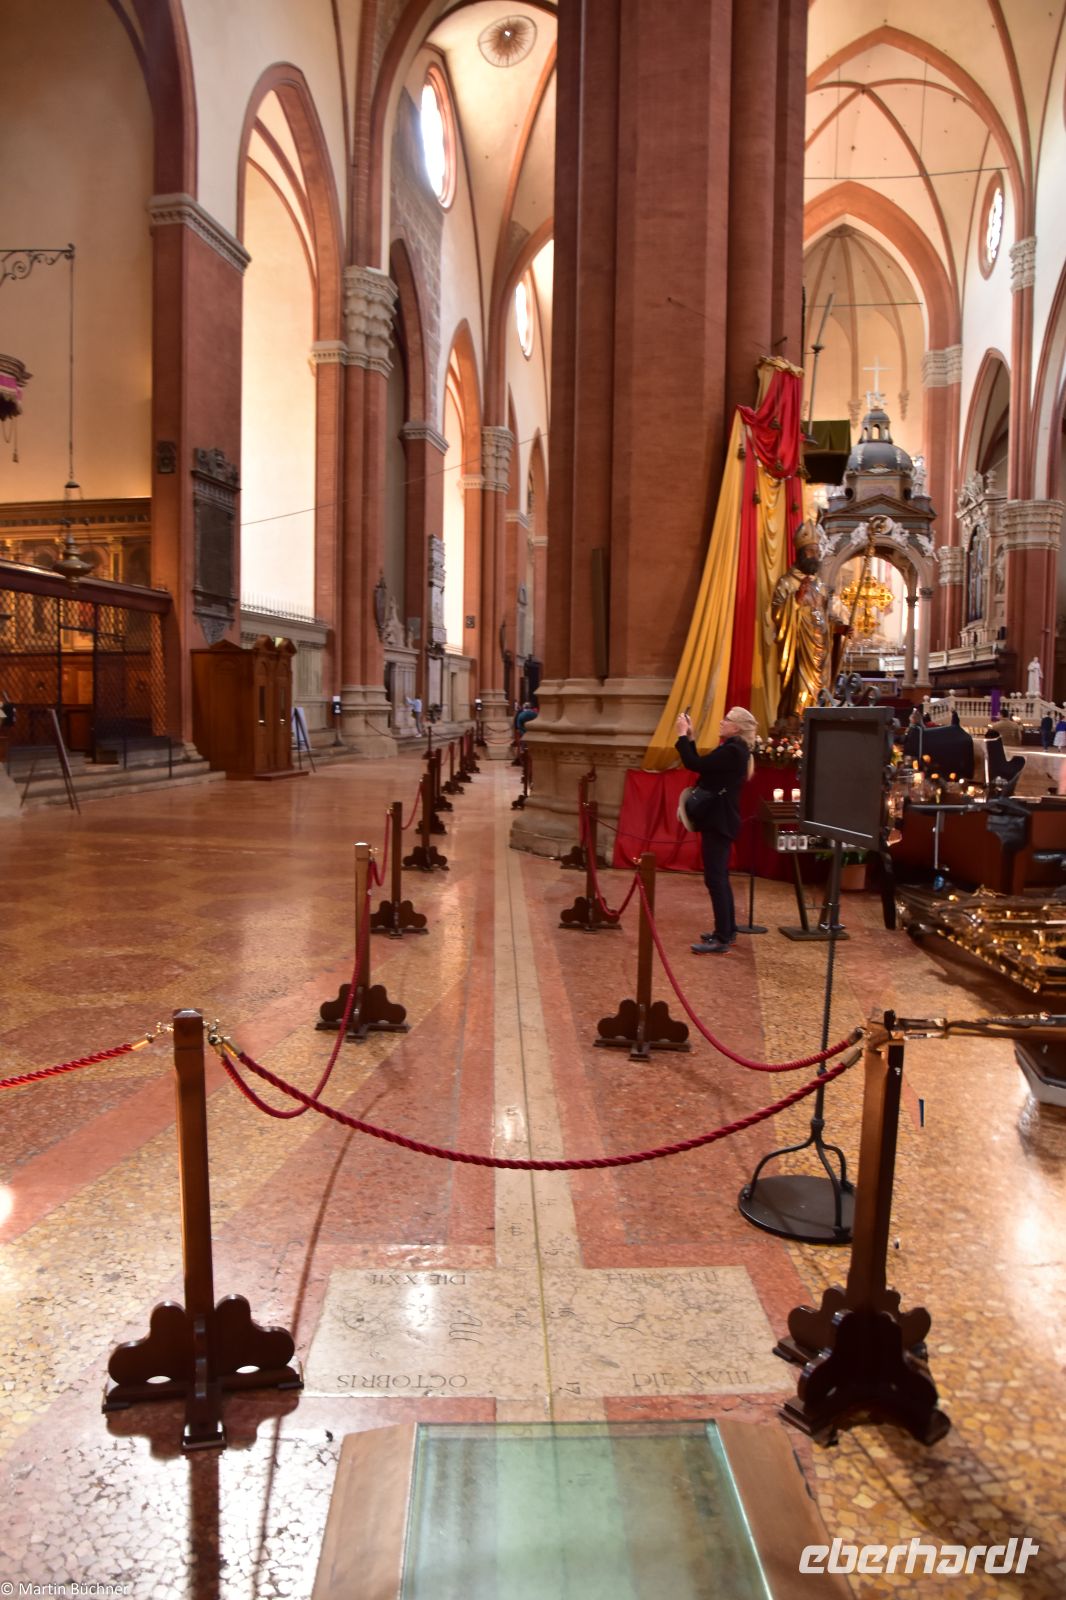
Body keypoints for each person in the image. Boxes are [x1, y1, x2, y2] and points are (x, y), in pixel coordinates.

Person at [675, 705, 757, 954]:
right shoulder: (734, 749)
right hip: (721, 819)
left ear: (737, 728)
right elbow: (703, 766)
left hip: (719, 821)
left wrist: (681, 735)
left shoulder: (732, 751)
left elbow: (693, 764)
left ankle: (722, 938)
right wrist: (691, 739)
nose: (722, 722)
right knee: (719, 877)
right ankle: (727, 930)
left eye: (727, 719)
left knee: (716, 879)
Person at [772, 521, 829, 719]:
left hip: (820, 647)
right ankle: (797, 718)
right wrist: (795, 599)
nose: (815, 556)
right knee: (801, 687)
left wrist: (840, 629)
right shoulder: (786, 582)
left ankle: (816, 716)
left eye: (817, 552)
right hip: (799, 647)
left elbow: (825, 614)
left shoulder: (819, 584)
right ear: (801, 553)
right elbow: (777, 613)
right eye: (811, 552)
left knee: (819, 688)